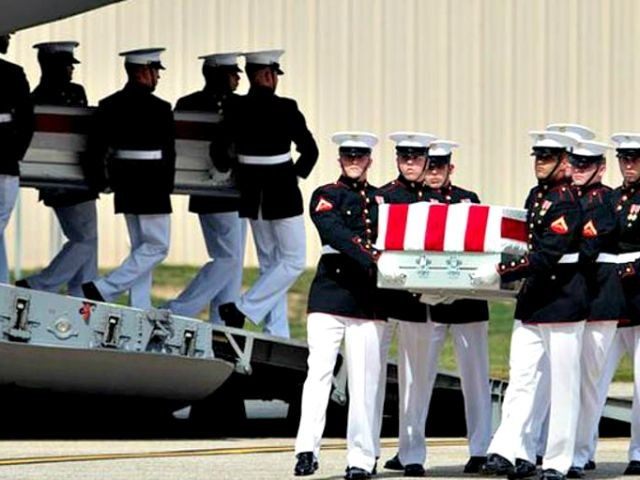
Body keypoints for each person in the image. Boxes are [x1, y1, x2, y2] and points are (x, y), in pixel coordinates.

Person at [474, 131, 586, 480]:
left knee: (563, 385)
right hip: (534, 302)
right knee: (521, 378)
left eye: (548, 157)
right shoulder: (537, 196)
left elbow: (548, 253)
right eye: (538, 156)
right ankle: (508, 450)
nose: (540, 163)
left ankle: (557, 461)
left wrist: (501, 270)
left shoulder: (567, 201)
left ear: (564, 163)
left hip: (563, 300)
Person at [382, 139, 491, 476]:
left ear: (450, 169)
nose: (432, 173)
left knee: (476, 378)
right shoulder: (407, 200)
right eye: (428, 167)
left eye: (439, 167)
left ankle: (480, 449)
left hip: (466, 302)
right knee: (415, 380)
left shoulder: (467, 200)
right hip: (423, 304)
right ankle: (411, 452)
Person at [293, 132, 384, 480]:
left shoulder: (382, 199)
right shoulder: (326, 195)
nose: (354, 162)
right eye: (348, 156)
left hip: (367, 300)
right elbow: (335, 233)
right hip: (330, 294)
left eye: (360, 157)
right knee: (318, 373)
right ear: (340, 160)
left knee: (363, 382)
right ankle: (306, 450)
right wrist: (372, 254)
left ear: (369, 161)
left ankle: (361, 459)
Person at [214, 49, 319, 338]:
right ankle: (241, 309)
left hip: (251, 192)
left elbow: (219, 151)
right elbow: (310, 151)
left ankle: (276, 330)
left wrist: (233, 169)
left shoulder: (235, 106)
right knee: (293, 261)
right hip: (281, 191)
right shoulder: (286, 107)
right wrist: (294, 176)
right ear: (268, 75)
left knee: (271, 265)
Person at [81, 48, 175, 309]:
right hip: (152, 182)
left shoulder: (109, 105)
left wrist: (102, 181)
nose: (158, 76)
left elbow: (95, 149)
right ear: (143, 72)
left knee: (141, 248)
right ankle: (104, 288)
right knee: (157, 247)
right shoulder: (160, 108)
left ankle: (140, 306)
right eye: (155, 71)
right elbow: (169, 153)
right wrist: (167, 186)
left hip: (124, 180)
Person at [164, 52, 245, 323]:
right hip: (217, 192)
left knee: (231, 261)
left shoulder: (190, 102)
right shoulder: (223, 104)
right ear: (219, 76)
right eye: (233, 73)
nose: (238, 78)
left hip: (226, 193)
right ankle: (178, 310)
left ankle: (221, 322)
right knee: (228, 259)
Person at [374, 131, 435, 477]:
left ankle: (413, 454)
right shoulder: (383, 197)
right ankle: (367, 452)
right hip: (384, 298)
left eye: (416, 158)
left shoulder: (436, 202)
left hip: (417, 300)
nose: (410, 163)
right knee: (373, 379)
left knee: (417, 380)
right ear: (397, 160)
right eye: (404, 158)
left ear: (426, 161)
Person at [16, 41, 98, 297]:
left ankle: (82, 296)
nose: (71, 69)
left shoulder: (47, 95)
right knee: (85, 239)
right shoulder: (42, 97)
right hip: (65, 176)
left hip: (70, 175)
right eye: (66, 65)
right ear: (51, 66)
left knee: (87, 239)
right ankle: (40, 284)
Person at [564, 140, 624, 478]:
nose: (578, 170)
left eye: (585, 165)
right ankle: (559, 448)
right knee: (565, 379)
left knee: (588, 380)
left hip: (598, 300)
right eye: (575, 164)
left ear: (600, 169)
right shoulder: (564, 196)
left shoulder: (606, 201)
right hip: (568, 300)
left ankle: (580, 451)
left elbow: (588, 247)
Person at [587, 132, 640, 476]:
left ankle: (639, 452)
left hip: (638, 294)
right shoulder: (610, 198)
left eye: (634, 159)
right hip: (609, 299)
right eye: (624, 159)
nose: (629, 165)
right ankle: (583, 448)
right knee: (594, 377)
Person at [0, 32, 34, 283]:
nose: (9, 38)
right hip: (5, 159)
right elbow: (26, 121)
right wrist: (15, 153)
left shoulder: (12, 73)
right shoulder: (12, 73)